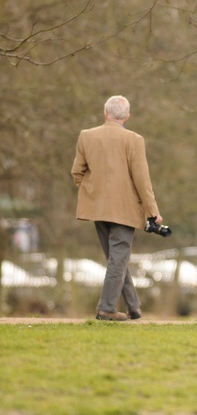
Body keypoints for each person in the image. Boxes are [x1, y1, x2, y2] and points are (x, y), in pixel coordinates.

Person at [71, 95, 163, 321]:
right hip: (125, 210)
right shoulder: (134, 140)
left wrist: (93, 193)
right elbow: (142, 179)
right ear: (127, 116)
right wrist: (152, 211)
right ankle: (106, 308)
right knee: (118, 259)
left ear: (105, 113)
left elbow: (77, 172)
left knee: (116, 259)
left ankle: (133, 306)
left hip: (97, 208)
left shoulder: (86, 136)